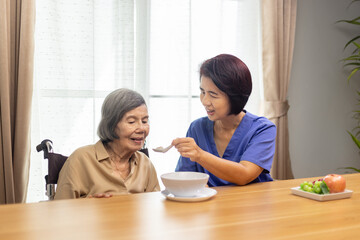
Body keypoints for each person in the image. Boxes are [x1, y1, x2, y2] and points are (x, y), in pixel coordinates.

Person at [173, 54, 276, 187]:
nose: (205, 101)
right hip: (212, 205)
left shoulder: (262, 129)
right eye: (203, 92)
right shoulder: (197, 128)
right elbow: (185, 178)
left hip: (252, 205)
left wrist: (199, 155)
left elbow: (244, 175)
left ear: (235, 97)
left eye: (213, 95)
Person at [55, 88, 160, 199]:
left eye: (144, 121)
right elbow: (61, 211)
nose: (141, 128)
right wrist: (87, 207)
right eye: (131, 122)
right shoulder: (80, 159)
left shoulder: (145, 164)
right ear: (112, 125)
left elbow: (155, 208)